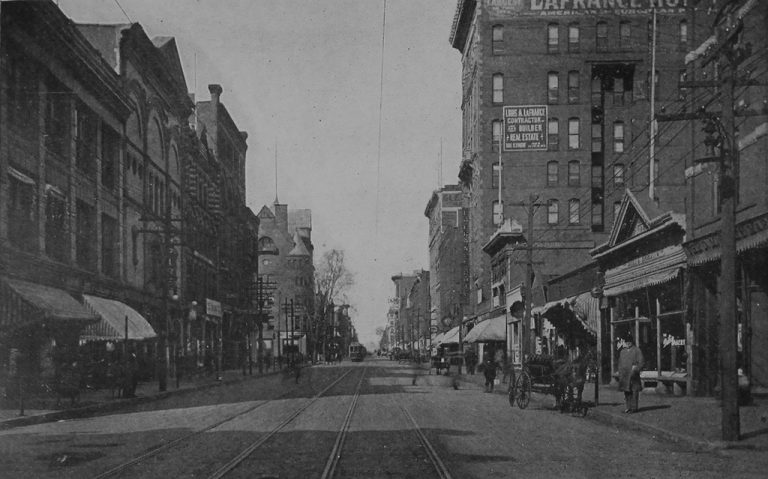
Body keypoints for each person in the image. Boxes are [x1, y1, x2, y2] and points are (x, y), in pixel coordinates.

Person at [617, 334, 644, 413]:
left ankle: (634, 408)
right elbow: (619, 363)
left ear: (632, 342)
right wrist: (620, 372)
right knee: (626, 392)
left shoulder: (637, 350)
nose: (628, 343)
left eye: (629, 341)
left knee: (634, 391)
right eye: (626, 342)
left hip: (633, 375)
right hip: (624, 375)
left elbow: (641, 362)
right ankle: (628, 407)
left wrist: (636, 368)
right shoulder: (622, 351)